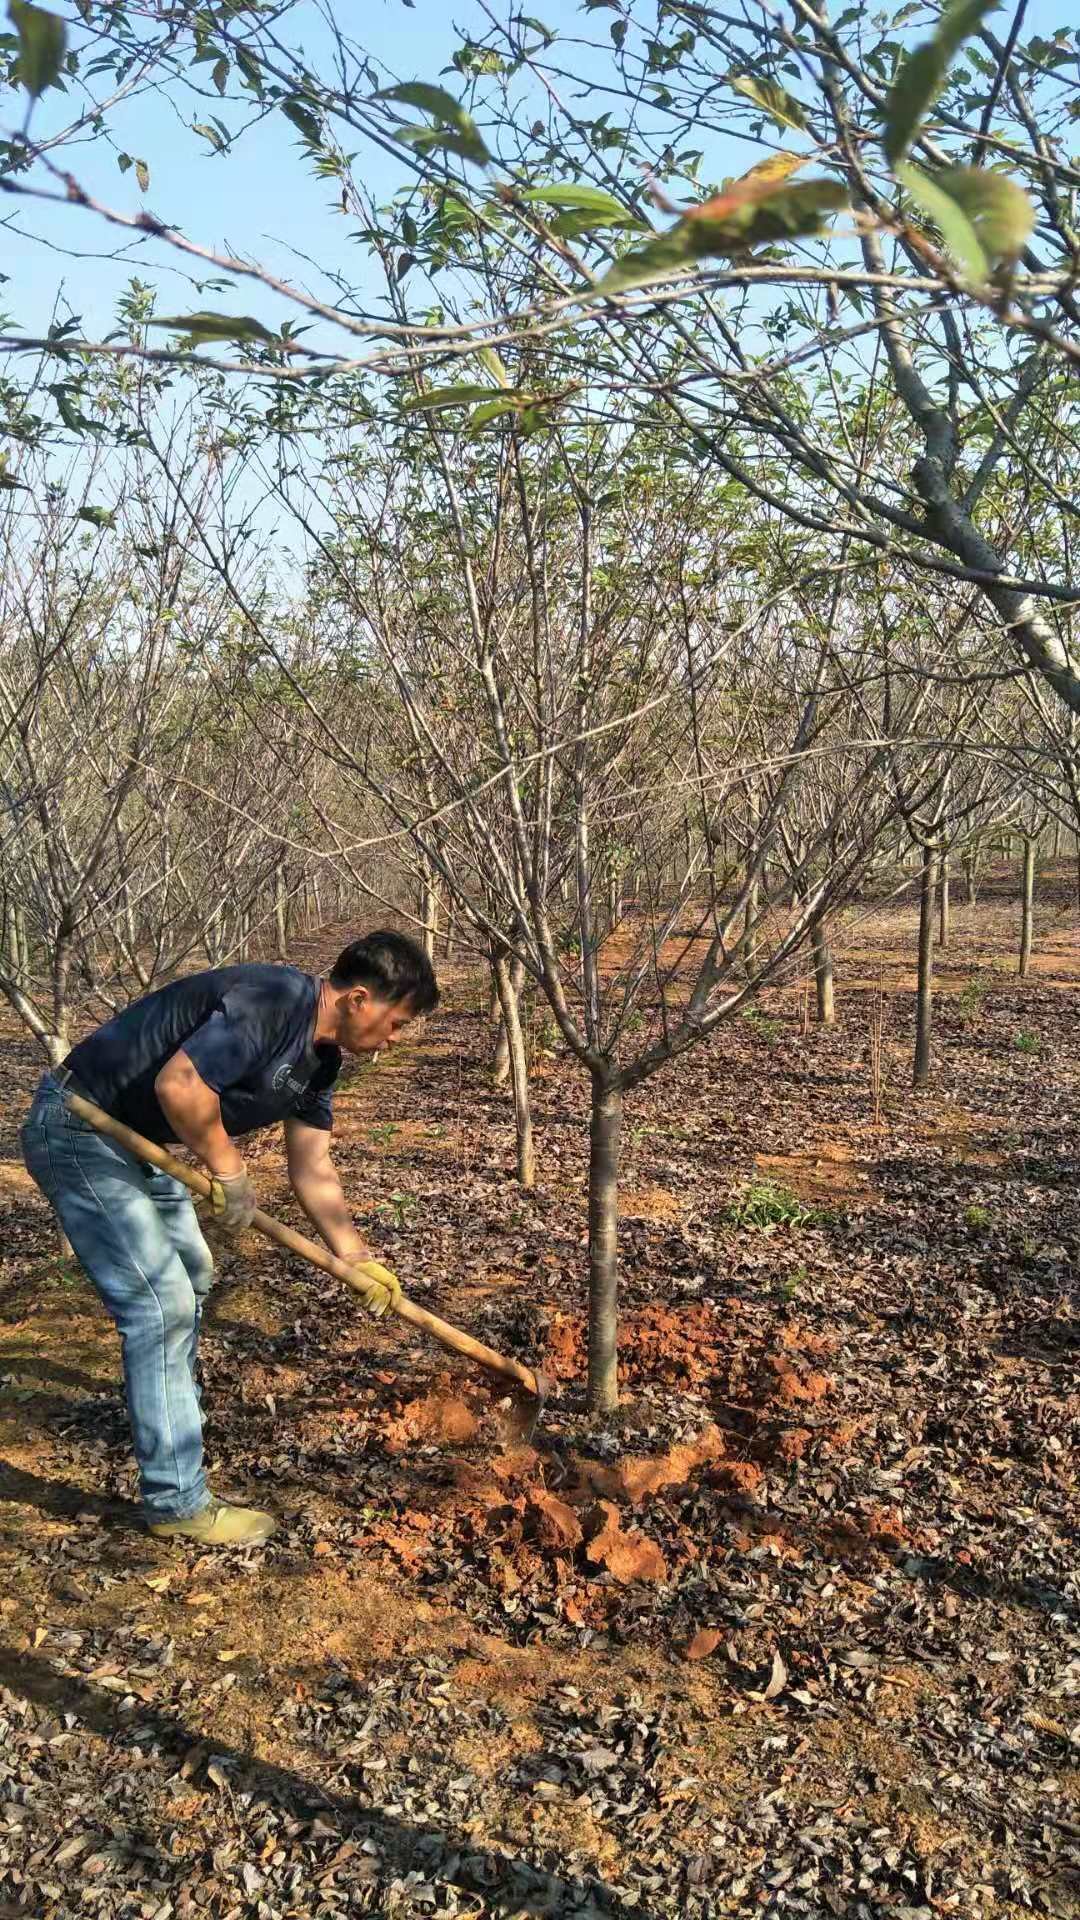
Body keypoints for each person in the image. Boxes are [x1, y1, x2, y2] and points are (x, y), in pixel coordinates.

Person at [20, 930, 439, 1547]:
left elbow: (312, 1166)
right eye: (397, 1023)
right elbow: (181, 1088)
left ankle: (169, 1414)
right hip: (82, 1126)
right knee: (160, 1304)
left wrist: (356, 1258)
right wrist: (230, 1171)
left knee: (192, 1273)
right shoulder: (272, 999)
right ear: (358, 1000)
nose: (394, 1039)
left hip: (147, 1146)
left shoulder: (321, 1061)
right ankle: (176, 1500)